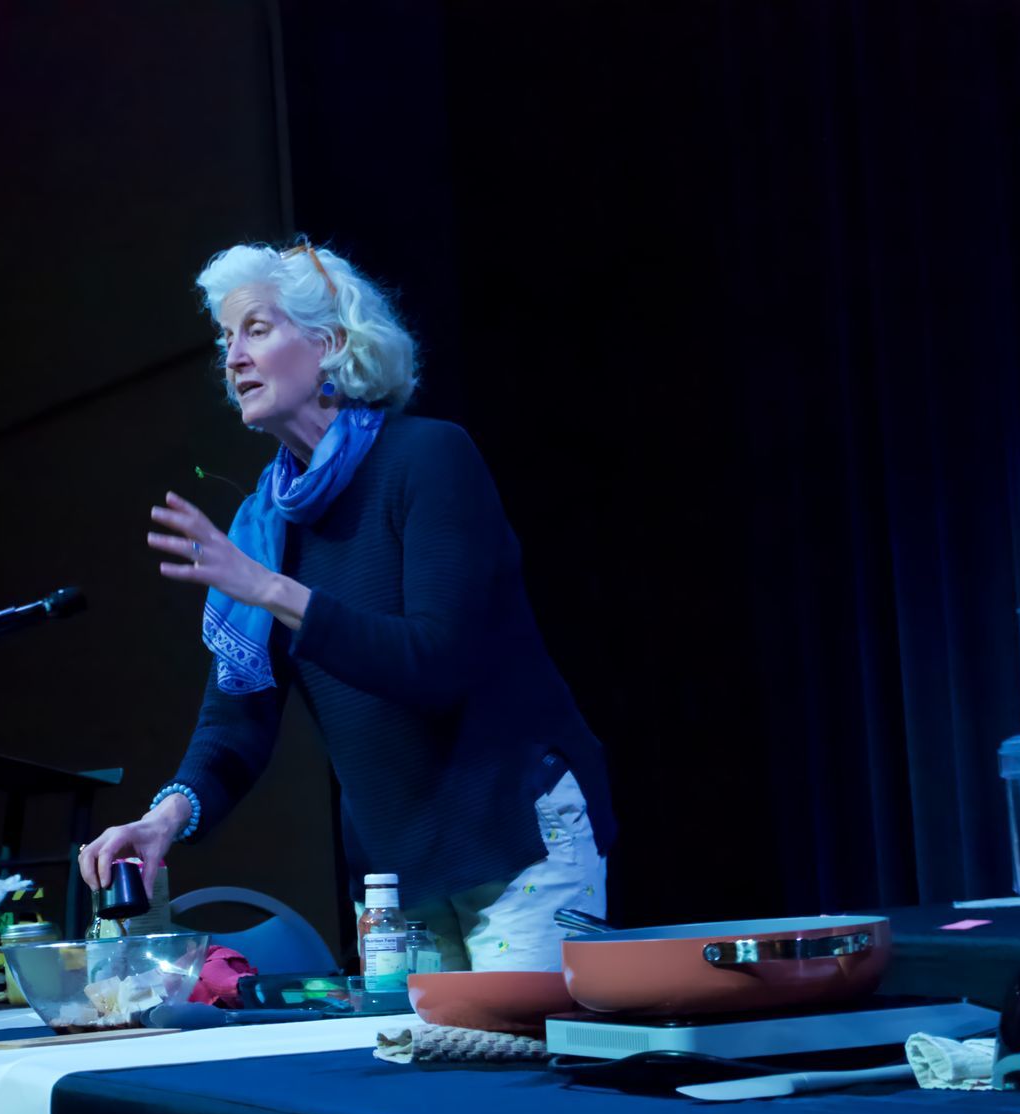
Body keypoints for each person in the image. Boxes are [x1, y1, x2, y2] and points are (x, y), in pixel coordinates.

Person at [77, 238, 616, 971]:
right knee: (421, 1084)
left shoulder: (428, 459)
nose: (232, 358)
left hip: (512, 833)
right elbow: (238, 723)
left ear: (330, 345)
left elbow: (437, 662)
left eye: (256, 330)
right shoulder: (268, 526)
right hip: (396, 872)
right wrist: (163, 818)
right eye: (225, 339)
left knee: (522, 1078)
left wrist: (273, 590)